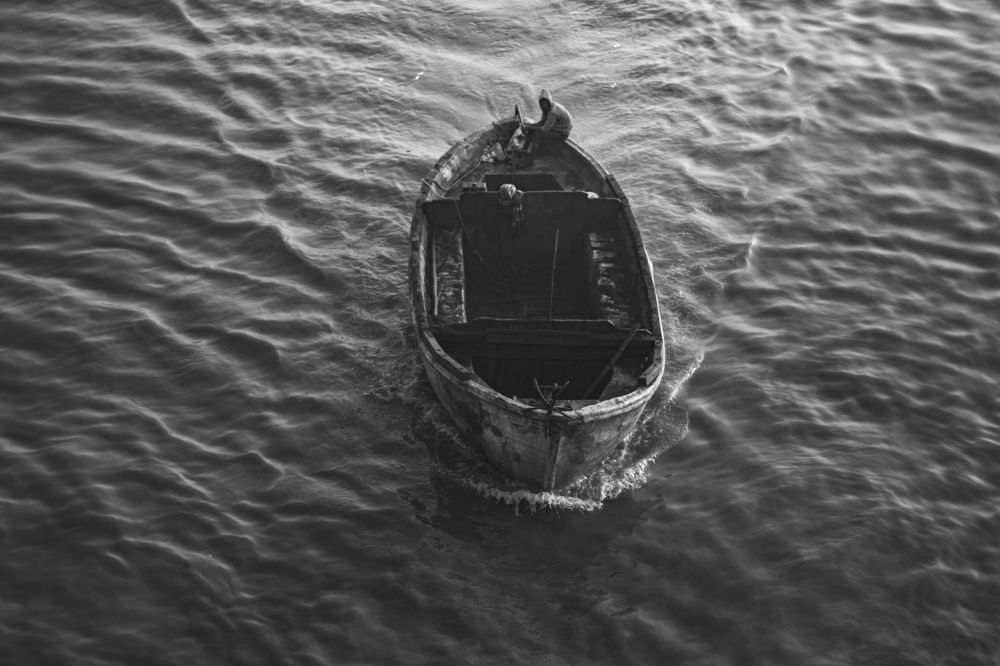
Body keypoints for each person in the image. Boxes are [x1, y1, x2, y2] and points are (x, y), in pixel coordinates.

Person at [523, 88, 573, 153]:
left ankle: (532, 155)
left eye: (545, 104)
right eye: (542, 104)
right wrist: (529, 126)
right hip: (556, 127)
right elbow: (542, 122)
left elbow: (545, 129)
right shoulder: (547, 109)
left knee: (537, 134)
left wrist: (529, 127)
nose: (544, 106)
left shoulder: (553, 112)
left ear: (549, 102)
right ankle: (525, 148)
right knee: (531, 129)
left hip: (562, 134)